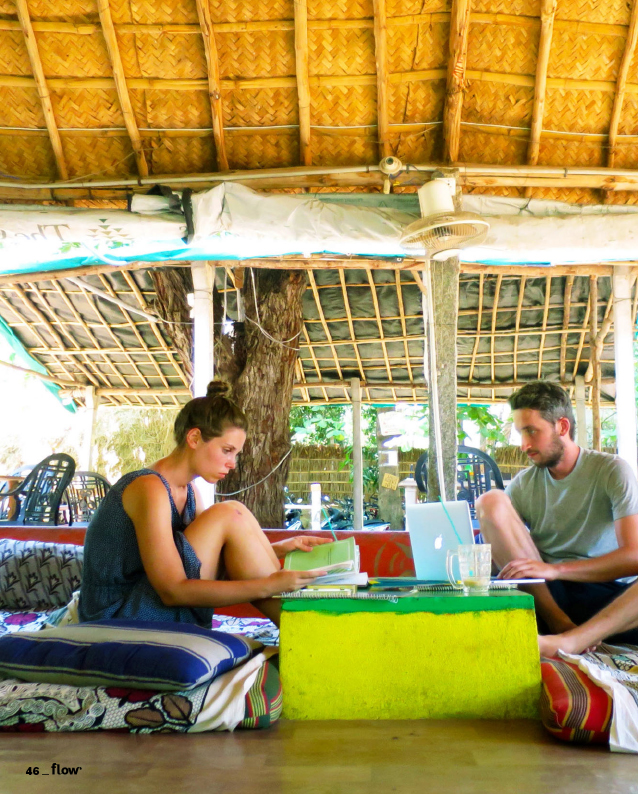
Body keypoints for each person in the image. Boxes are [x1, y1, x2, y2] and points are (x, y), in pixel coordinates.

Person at [78, 381, 331, 628]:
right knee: (228, 513)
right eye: (227, 450)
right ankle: (305, 631)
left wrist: (280, 549)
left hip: (148, 604)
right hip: (116, 615)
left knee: (235, 511)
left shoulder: (190, 492)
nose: (232, 463)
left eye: (236, 454)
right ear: (195, 437)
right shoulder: (148, 488)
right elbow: (172, 591)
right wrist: (270, 585)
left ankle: (305, 629)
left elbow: (216, 560)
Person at [476, 380, 638, 650]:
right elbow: (504, 551)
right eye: (520, 433)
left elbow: (634, 557)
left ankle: (574, 639)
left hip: (612, 603)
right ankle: (560, 626)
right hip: (549, 599)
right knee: (490, 500)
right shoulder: (524, 484)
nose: (524, 445)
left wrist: (555, 569)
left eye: (531, 431)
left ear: (562, 427)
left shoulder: (611, 471)